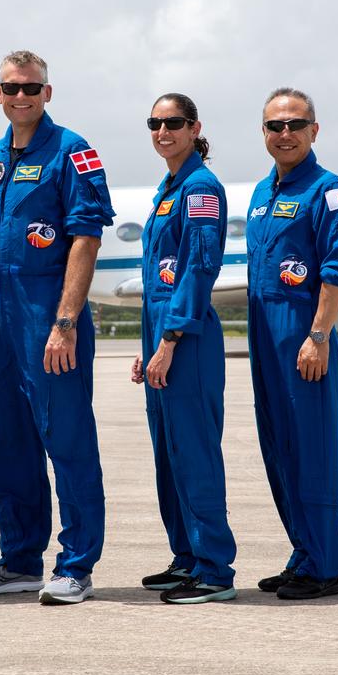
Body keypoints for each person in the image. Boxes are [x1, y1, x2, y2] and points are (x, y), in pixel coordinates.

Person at [0, 50, 115, 605]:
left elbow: (86, 239)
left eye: (30, 87)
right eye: (10, 88)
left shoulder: (74, 152)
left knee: (66, 441)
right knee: (5, 445)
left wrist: (65, 321)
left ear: (48, 92)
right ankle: (20, 559)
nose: (20, 96)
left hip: (48, 319)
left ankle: (76, 566)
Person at [246, 87, 338, 600]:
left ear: (316, 130)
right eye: (275, 126)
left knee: (311, 448)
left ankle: (325, 565)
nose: (285, 134)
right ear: (264, 133)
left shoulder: (327, 190)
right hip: (262, 334)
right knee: (279, 448)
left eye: (295, 124)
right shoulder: (260, 193)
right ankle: (302, 551)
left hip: (302, 335)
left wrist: (319, 335)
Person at [129, 93, 237, 604]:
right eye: (155, 122)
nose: (163, 130)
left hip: (187, 342)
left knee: (193, 453)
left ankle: (214, 569)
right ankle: (187, 557)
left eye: (173, 122)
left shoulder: (201, 188)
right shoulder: (168, 189)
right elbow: (157, 281)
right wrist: (147, 343)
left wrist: (169, 339)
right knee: (168, 455)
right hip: (163, 340)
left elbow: (198, 268)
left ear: (195, 128)